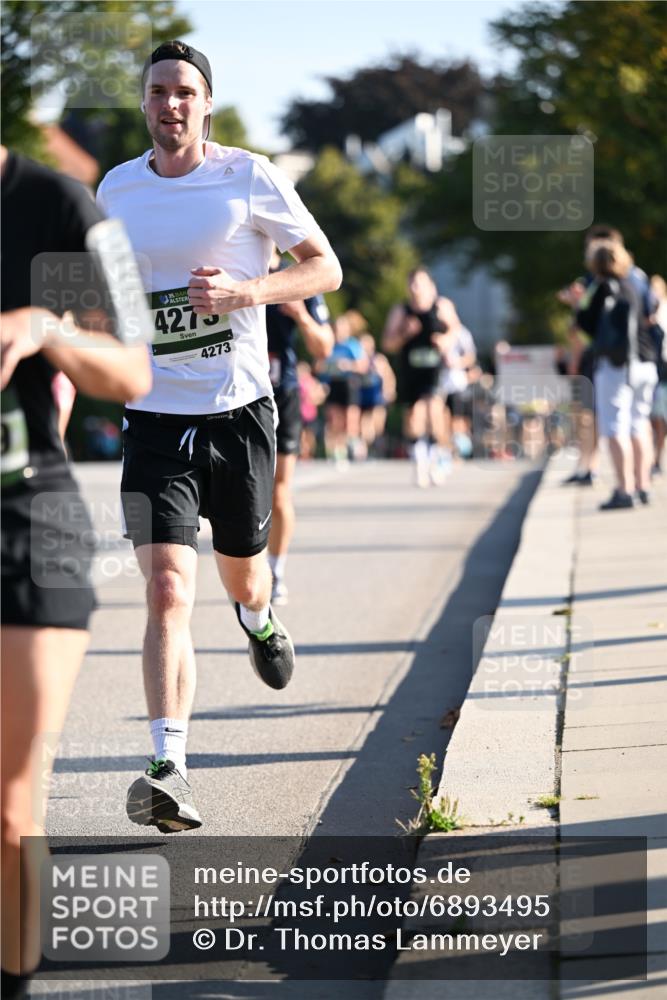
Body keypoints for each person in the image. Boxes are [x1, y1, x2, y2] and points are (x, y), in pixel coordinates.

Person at [96, 40, 341, 832]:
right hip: (153, 419)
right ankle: (169, 767)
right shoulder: (117, 188)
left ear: (207, 104)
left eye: (184, 92)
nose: (170, 104)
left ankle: (258, 620)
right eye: (157, 91)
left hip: (238, 413)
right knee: (167, 588)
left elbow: (324, 268)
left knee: (244, 579)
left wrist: (245, 292)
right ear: (143, 102)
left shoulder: (247, 176)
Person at [1, 145, 152, 998]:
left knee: (10, 808)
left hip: (25, 520)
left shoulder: (59, 205)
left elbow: (135, 366)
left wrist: (46, 328)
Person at [266, 247, 333, 605]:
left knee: (279, 491)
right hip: (232, 395)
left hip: (283, 394)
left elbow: (324, 347)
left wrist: (301, 315)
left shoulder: (298, 276)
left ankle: (275, 570)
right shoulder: (230, 266)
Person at [575, 242, 658, 509]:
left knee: (614, 426)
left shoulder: (600, 287)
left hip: (617, 363)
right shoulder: (636, 284)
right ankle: (642, 485)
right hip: (645, 360)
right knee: (639, 424)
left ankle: (625, 489)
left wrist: (577, 303)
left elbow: (585, 324)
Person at [383, 267, 461, 487]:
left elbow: (456, 330)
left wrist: (445, 340)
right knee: (413, 416)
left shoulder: (441, 306)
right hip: (410, 369)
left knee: (434, 412)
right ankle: (419, 461)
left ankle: (435, 460)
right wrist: (404, 334)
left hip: (435, 369)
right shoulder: (402, 311)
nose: (416, 288)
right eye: (412, 283)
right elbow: (388, 344)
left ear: (430, 286)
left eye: (420, 283)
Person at [319, 311, 368, 465]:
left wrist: (349, 365)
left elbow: (363, 365)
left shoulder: (352, 345)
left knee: (350, 418)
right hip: (333, 383)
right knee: (334, 419)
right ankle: (337, 450)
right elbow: (319, 365)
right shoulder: (330, 345)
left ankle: (352, 446)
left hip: (349, 384)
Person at [358, 332, 396, 457]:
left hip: (377, 395)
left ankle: (377, 446)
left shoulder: (379, 360)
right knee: (365, 421)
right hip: (363, 395)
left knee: (378, 423)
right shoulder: (357, 359)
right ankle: (366, 448)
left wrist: (389, 390)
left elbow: (388, 376)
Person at [649, 275, 667, 475]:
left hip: (663, 371)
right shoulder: (649, 313)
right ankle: (655, 459)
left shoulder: (662, 313)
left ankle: (657, 459)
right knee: (655, 417)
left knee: (660, 417)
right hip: (655, 371)